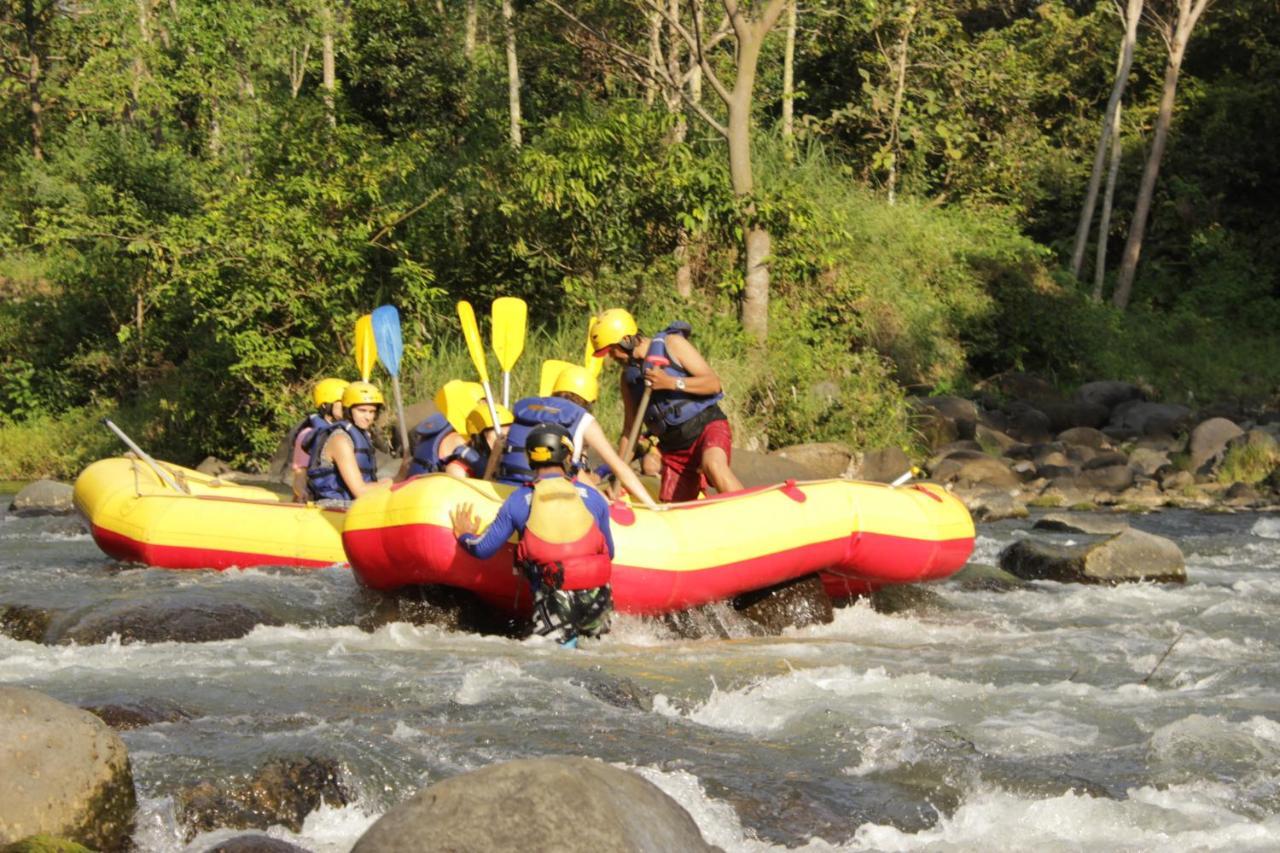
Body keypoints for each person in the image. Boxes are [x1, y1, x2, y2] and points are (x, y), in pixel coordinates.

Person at [451, 423, 614, 647]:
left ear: (530, 458)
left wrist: (464, 535)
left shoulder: (519, 500)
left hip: (556, 597)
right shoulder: (594, 498)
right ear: (567, 456)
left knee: (556, 667)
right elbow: (610, 552)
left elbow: (483, 549)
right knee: (598, 654)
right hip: (598, 595)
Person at [590, 308, 743, 503]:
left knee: (713, 465)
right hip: (675, 448)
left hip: (707, 427)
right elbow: (630, 432)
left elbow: (713, 384)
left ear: (626, 340)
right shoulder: (628, 378)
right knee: (673, 508)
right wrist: (617, 476)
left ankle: (753, 517)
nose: (612, 357)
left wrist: (671, 382)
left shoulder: (673, 344)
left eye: (612, 350)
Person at [497, 364, 660, 509]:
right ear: (589, 401)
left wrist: (601, 498)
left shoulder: (528, 409)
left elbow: (573, 470)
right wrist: (652, 506)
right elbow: (619, 467)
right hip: (545, 500)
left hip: (505, 491)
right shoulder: (582, 419)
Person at [305, 381, 392, 503]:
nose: (368, 417)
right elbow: (361, 491)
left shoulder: (362, 435)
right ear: (349, 411)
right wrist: (392, 482)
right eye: (362, 410)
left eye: (372, 411)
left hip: (358, 506)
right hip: (334, 508)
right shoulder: (340, 440)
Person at [288, 377, 348, 501]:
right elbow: (300, 475)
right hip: (322, 498)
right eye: (342, 402)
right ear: (326, 405)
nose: (347, 407)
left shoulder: (349, 431)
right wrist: (301, 492)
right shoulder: (308, 434)